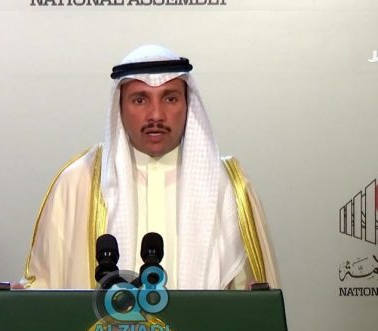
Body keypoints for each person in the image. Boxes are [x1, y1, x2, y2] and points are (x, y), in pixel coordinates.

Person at [22, 45, 279, 290]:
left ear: (188, 105)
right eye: (140, 100)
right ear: (120, 107)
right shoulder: (78, 182)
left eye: (170, 98)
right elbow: (44, 289)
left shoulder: (227, 187)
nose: (156, 115)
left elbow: (252, 298)